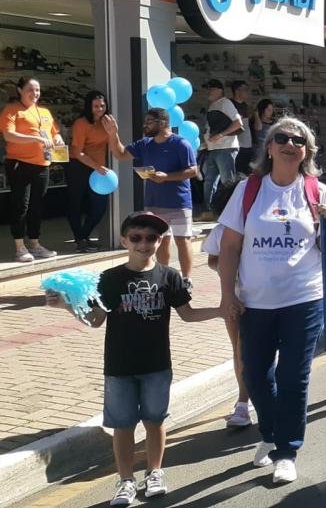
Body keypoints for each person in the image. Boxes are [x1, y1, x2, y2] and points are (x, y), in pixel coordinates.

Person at [46, 211, 222, 505]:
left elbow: (188, 314)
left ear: (159, 240)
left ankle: (154, 473)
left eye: (151, 238)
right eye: (136, 238)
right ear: (123, 240)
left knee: (155, 421)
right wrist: (66, 306)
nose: (144, 244)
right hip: (119, 367)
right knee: (123, 426)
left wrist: (220, 310)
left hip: (157, 365)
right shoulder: (110, 279)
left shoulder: (169, 277)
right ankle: (125, 480)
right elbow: (96, 319)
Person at [218, 118, 326, 484]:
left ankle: (286, 451)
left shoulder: (318, 191)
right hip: (255, 302)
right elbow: (229, 246)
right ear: (269, 148)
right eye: (282, 138)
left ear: (307, 151)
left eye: (298, 140)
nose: (290, 144)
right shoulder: (249, 189)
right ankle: (270, 433)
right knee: (254, 373)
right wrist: (227, 295)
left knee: (293, 376)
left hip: (303, 298)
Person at [105, 108, 198, 281]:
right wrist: (113, 134)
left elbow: (193, 170)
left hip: (179, 202)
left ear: (162, 123)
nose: (145, 125)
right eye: (145, 122)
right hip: (154, 202)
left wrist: (167, 177)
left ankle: (187, 279)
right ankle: (164, 278)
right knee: (161, 241)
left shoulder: (180, 144)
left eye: (149, 122)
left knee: (182, 240)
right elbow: (120, 154)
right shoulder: (145, 144)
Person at [200, 174, 255, 427]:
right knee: (239, 350)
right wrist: (230, 270)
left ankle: (261, 396)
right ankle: (243, 403)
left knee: (262, 352)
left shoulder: (263, 223)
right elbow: (212, 260)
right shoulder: (222, 230)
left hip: (268, 298)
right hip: (235, 299)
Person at [3, 77, 63, 262]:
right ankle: (20, 247)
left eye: (37, 90)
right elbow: (9, 135)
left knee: (38, 205)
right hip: (20, 164)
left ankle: (35, 244)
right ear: (20, 90)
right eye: (30, 89)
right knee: (21, 205)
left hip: (42, 164)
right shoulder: (12, 110)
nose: (35, 93)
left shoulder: (44, 111)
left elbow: (54, 132)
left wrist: (58, 139)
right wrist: (35, 139)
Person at [66, 90, 111, 253]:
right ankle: (80, 240)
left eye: (102, 105)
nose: (100, 108)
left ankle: (83, 236)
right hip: (78, 165)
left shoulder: (107, 121)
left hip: (97, 169)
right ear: (89, 107)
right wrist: (97, 166)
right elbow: (78, 152)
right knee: (75, 204)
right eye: (96, 106)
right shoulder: (81, 123)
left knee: (100, 206)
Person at [198, 79, 243, 221]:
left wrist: (221, 135)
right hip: (214, 148)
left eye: (211, 88)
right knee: (209, 181)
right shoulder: (214, 106)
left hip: (226, 147)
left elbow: (238, 123)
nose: (208, 92)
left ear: (220, 90)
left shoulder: (225, 103)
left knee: (227, 181)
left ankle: (232, 213)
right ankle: (209, 211)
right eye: (207, 89)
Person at [231, 81, 254, 175]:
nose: (247, 93)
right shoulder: (230, 105)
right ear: (237, 91)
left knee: (246, 172)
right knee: (237, 172)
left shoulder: (245, 106)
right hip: (237, 145)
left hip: (248, 144)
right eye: (245, 90)